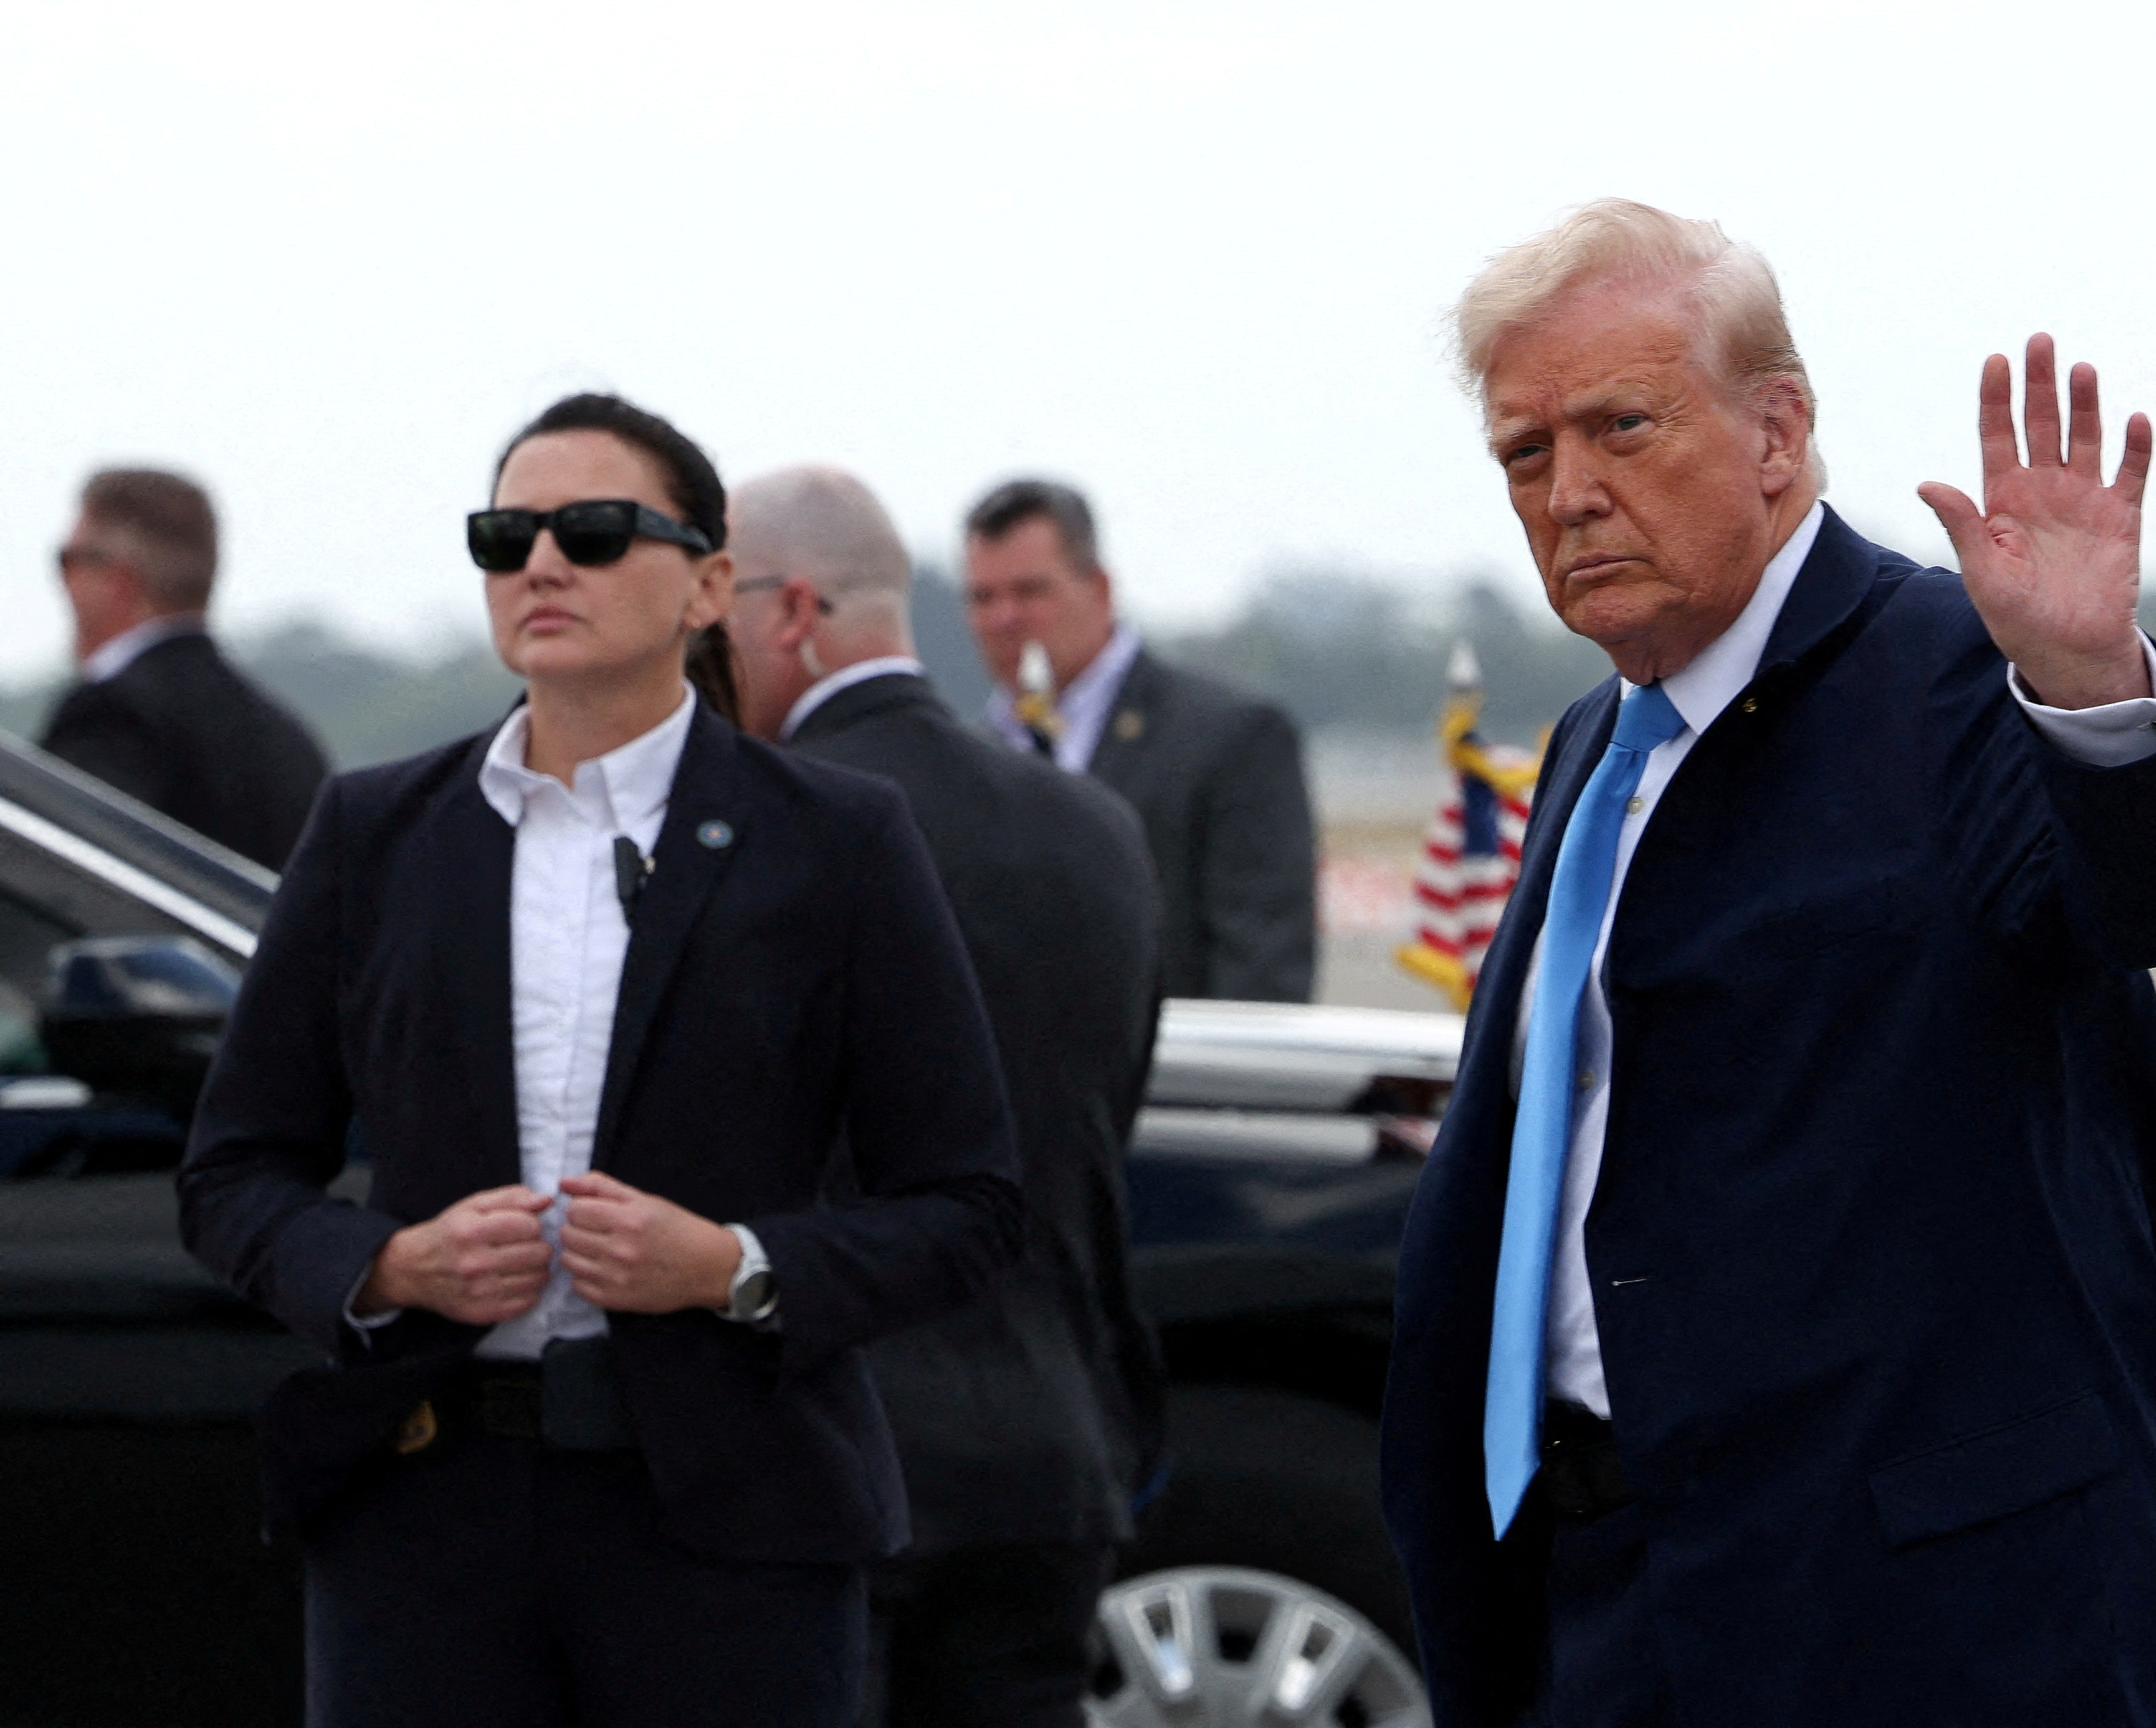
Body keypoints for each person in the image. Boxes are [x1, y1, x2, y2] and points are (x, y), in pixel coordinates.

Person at [1379, 200, 2156, 1727]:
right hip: (1611, 1609)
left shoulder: (1952, 679)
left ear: (1776, 434)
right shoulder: (1595, 745)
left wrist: (2086, 686)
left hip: (1933, 1627)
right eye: (1526, 456)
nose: (1572, 493)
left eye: (1620, 426)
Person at [175, 394, 1021, 1728]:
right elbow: (233, 1174)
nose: (543, 563)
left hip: (731, 1526)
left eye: (593, 530)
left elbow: (968, 1202)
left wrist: (734, 1268)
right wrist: (387, 1266)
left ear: (708, 584)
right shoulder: (372, 833)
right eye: (507, 535)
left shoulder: (840, 840)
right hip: (421, 1519)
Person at [727, 465, 1165, 1728]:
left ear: (791, 610)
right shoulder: (1094, 828)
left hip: (828, 1455)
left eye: (715, 611)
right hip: (1052, 1452)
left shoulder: (761, 828)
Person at [962, 479, 1317, 1002]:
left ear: (1100, 590)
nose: (1003, 619)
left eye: (1030, 592)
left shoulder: (1232, 739)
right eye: (982, 598)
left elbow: (1261, 977)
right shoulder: (967, 757)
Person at [41, 468, 329, 869]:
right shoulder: (287, 737)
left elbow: (63, 878)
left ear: (117, 579)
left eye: (67, 561)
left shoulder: (113, 716)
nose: (63, 583)